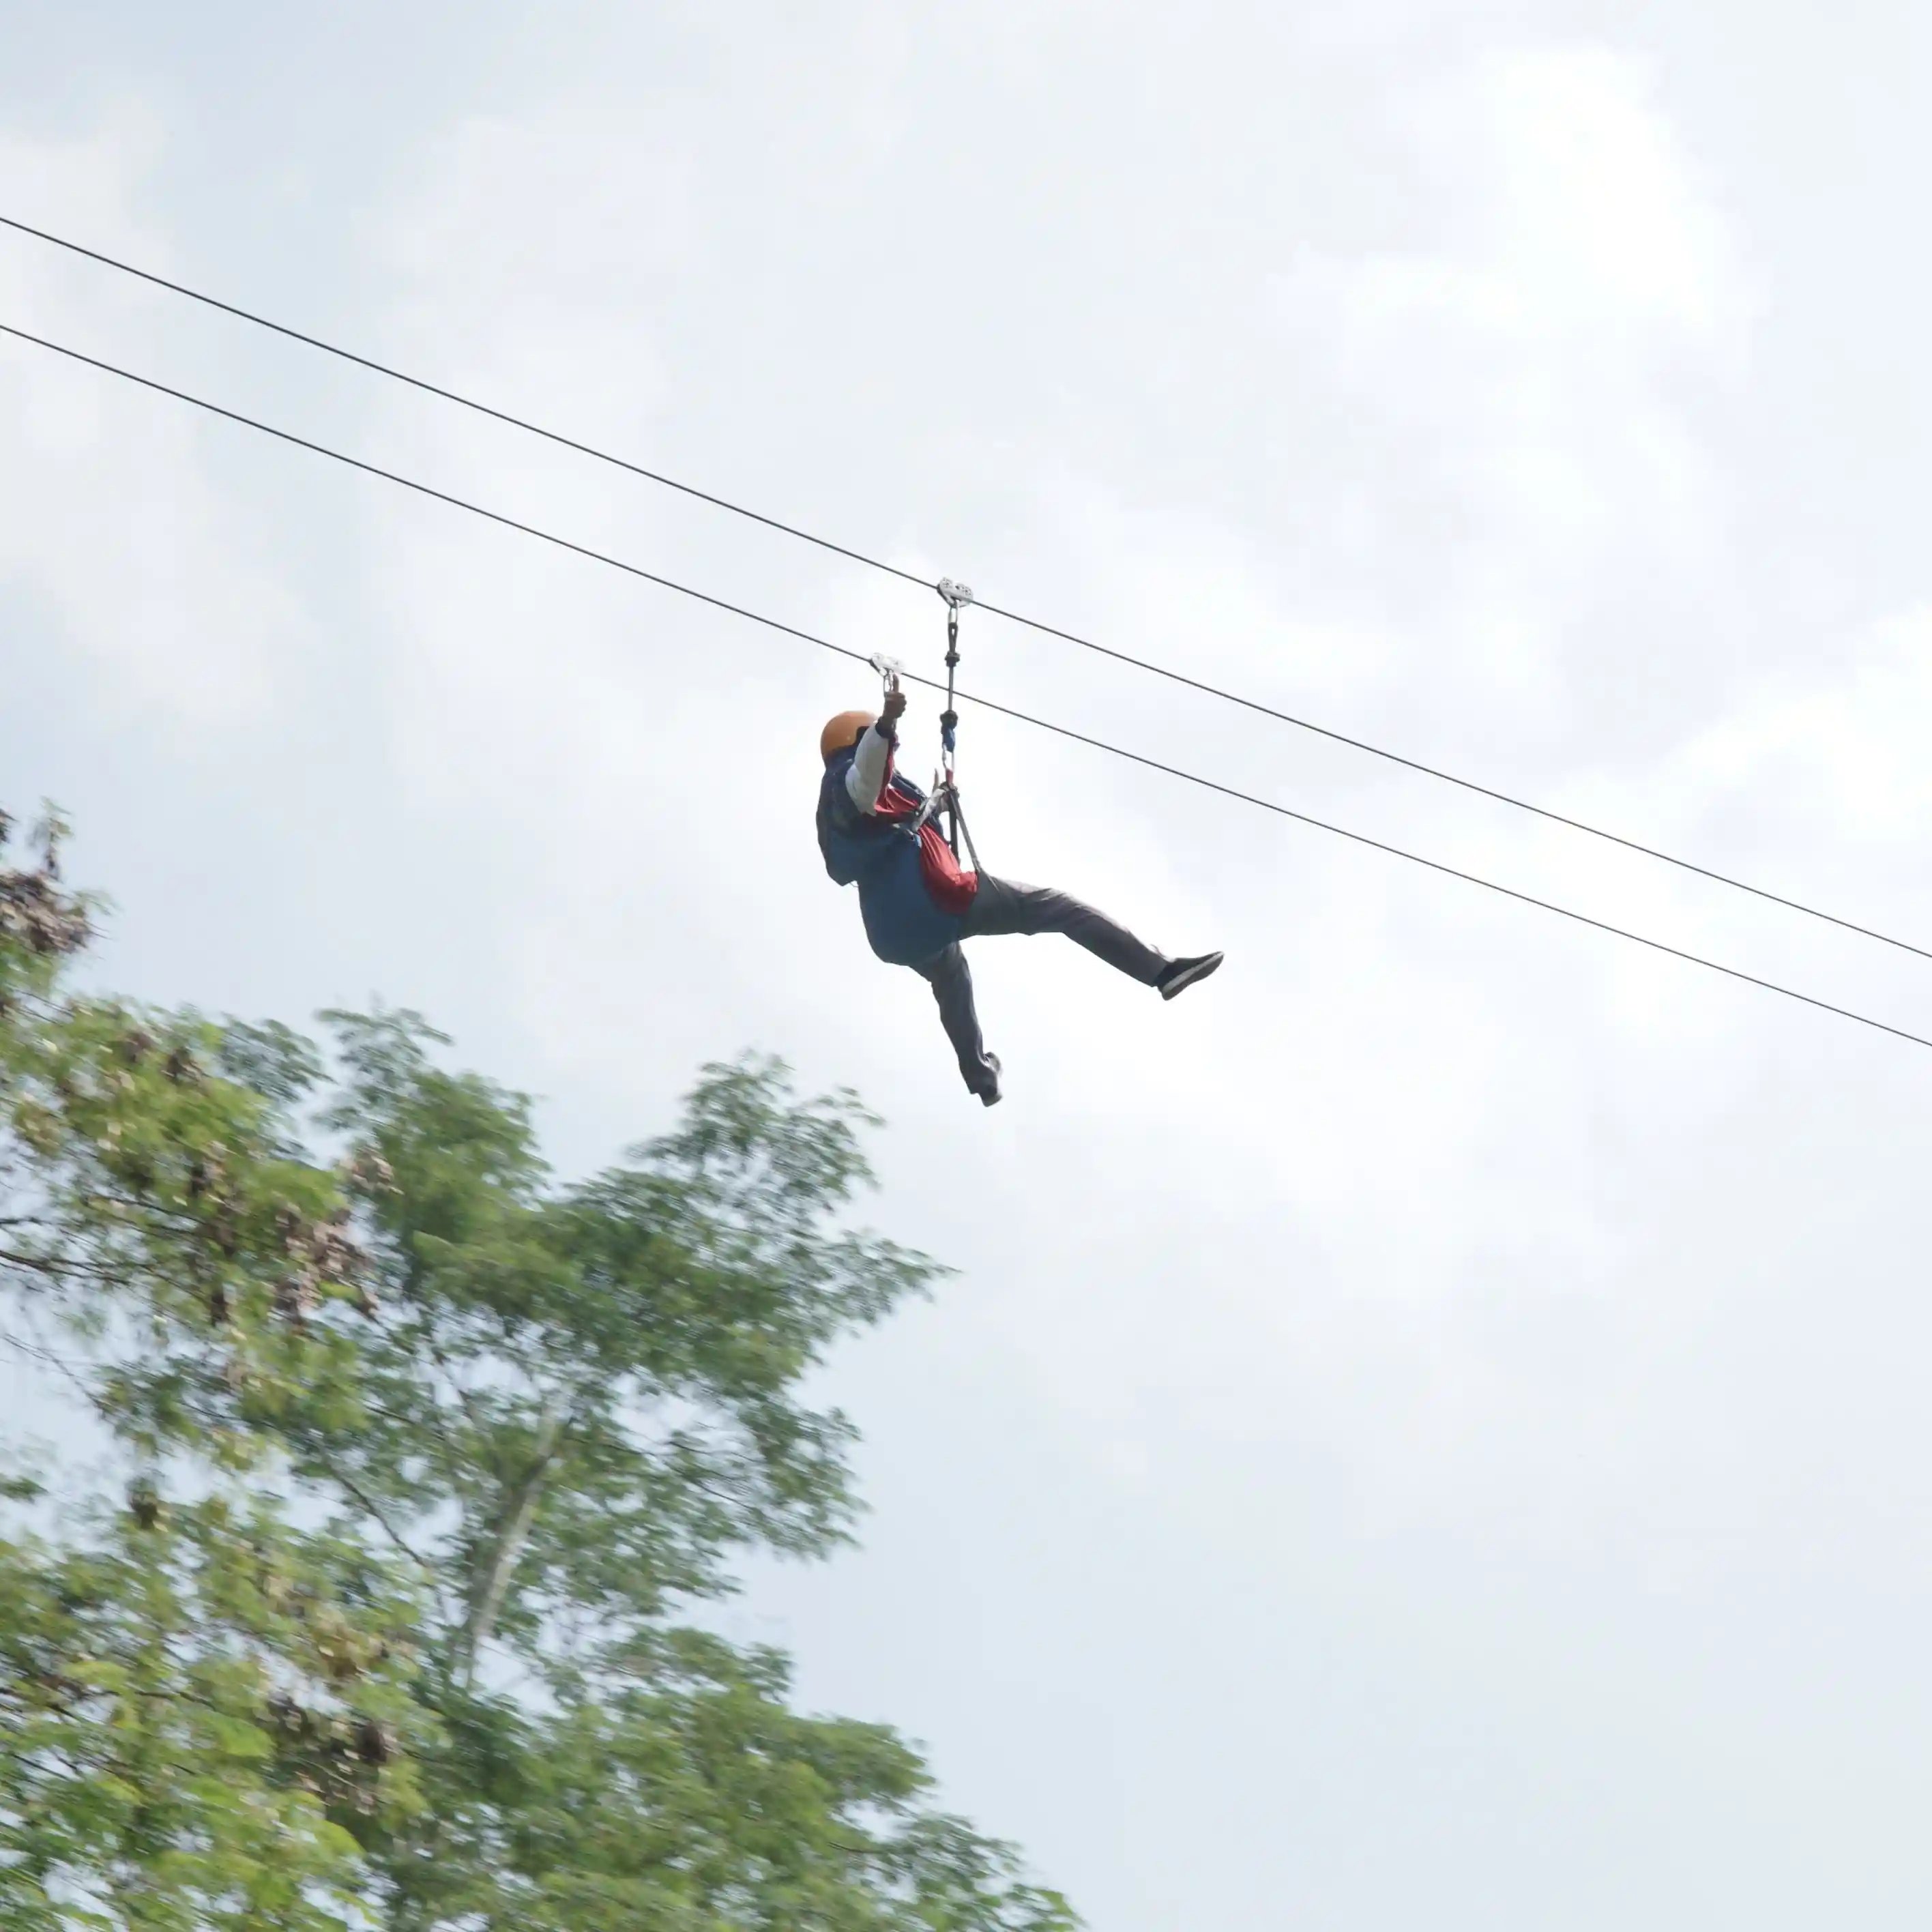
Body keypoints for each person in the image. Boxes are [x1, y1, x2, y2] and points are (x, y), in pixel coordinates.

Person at [817, 687, 1223, 1106]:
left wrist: (937, 804)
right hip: (934, 901)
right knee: (1058, 908)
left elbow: (889, 820)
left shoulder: (845, 820)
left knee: (952, 978)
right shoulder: (846, 782)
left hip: (891, 933)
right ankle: (1160, 971)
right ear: (858, 738)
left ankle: (981, 1077)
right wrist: (885, 724)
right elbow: (865, 781)